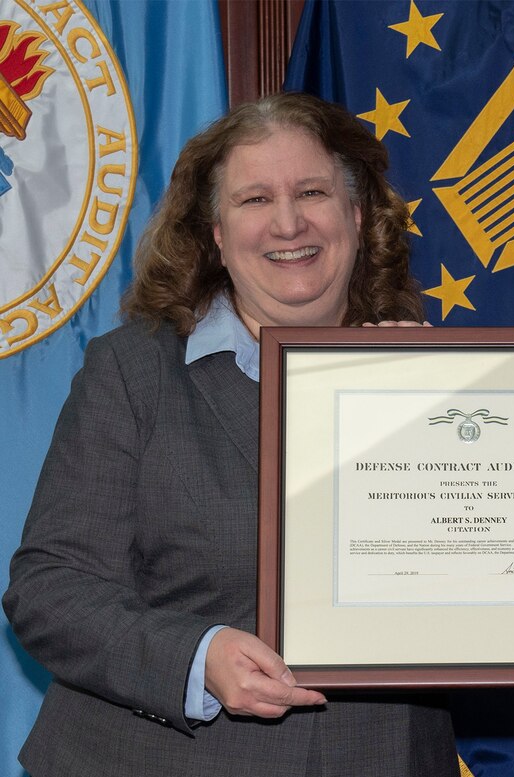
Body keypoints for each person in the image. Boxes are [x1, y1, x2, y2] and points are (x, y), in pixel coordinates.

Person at [3, 92, 458, 776]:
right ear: (216, 231)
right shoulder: (134, 371)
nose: (287, 222)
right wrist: (197, 657)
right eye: (253, 200)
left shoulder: (445, 382)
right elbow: (48, 589)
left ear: (357, 216)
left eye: (312, 191)